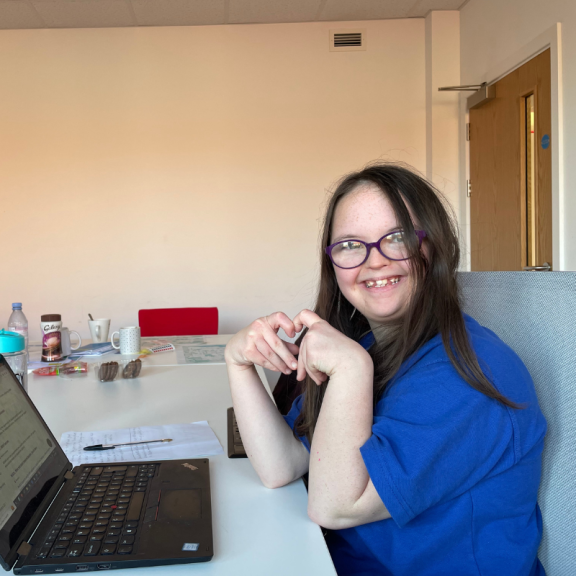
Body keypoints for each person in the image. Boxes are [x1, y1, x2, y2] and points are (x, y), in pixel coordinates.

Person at [225, 163, 547, 576]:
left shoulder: (470, 377)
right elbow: (283, 466)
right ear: (332, 262)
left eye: (398, 238)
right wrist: (238, 365)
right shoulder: (371, 346)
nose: (374, 260)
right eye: (349, 245)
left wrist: (351, 369)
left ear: (435, 246)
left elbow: (335, 507)